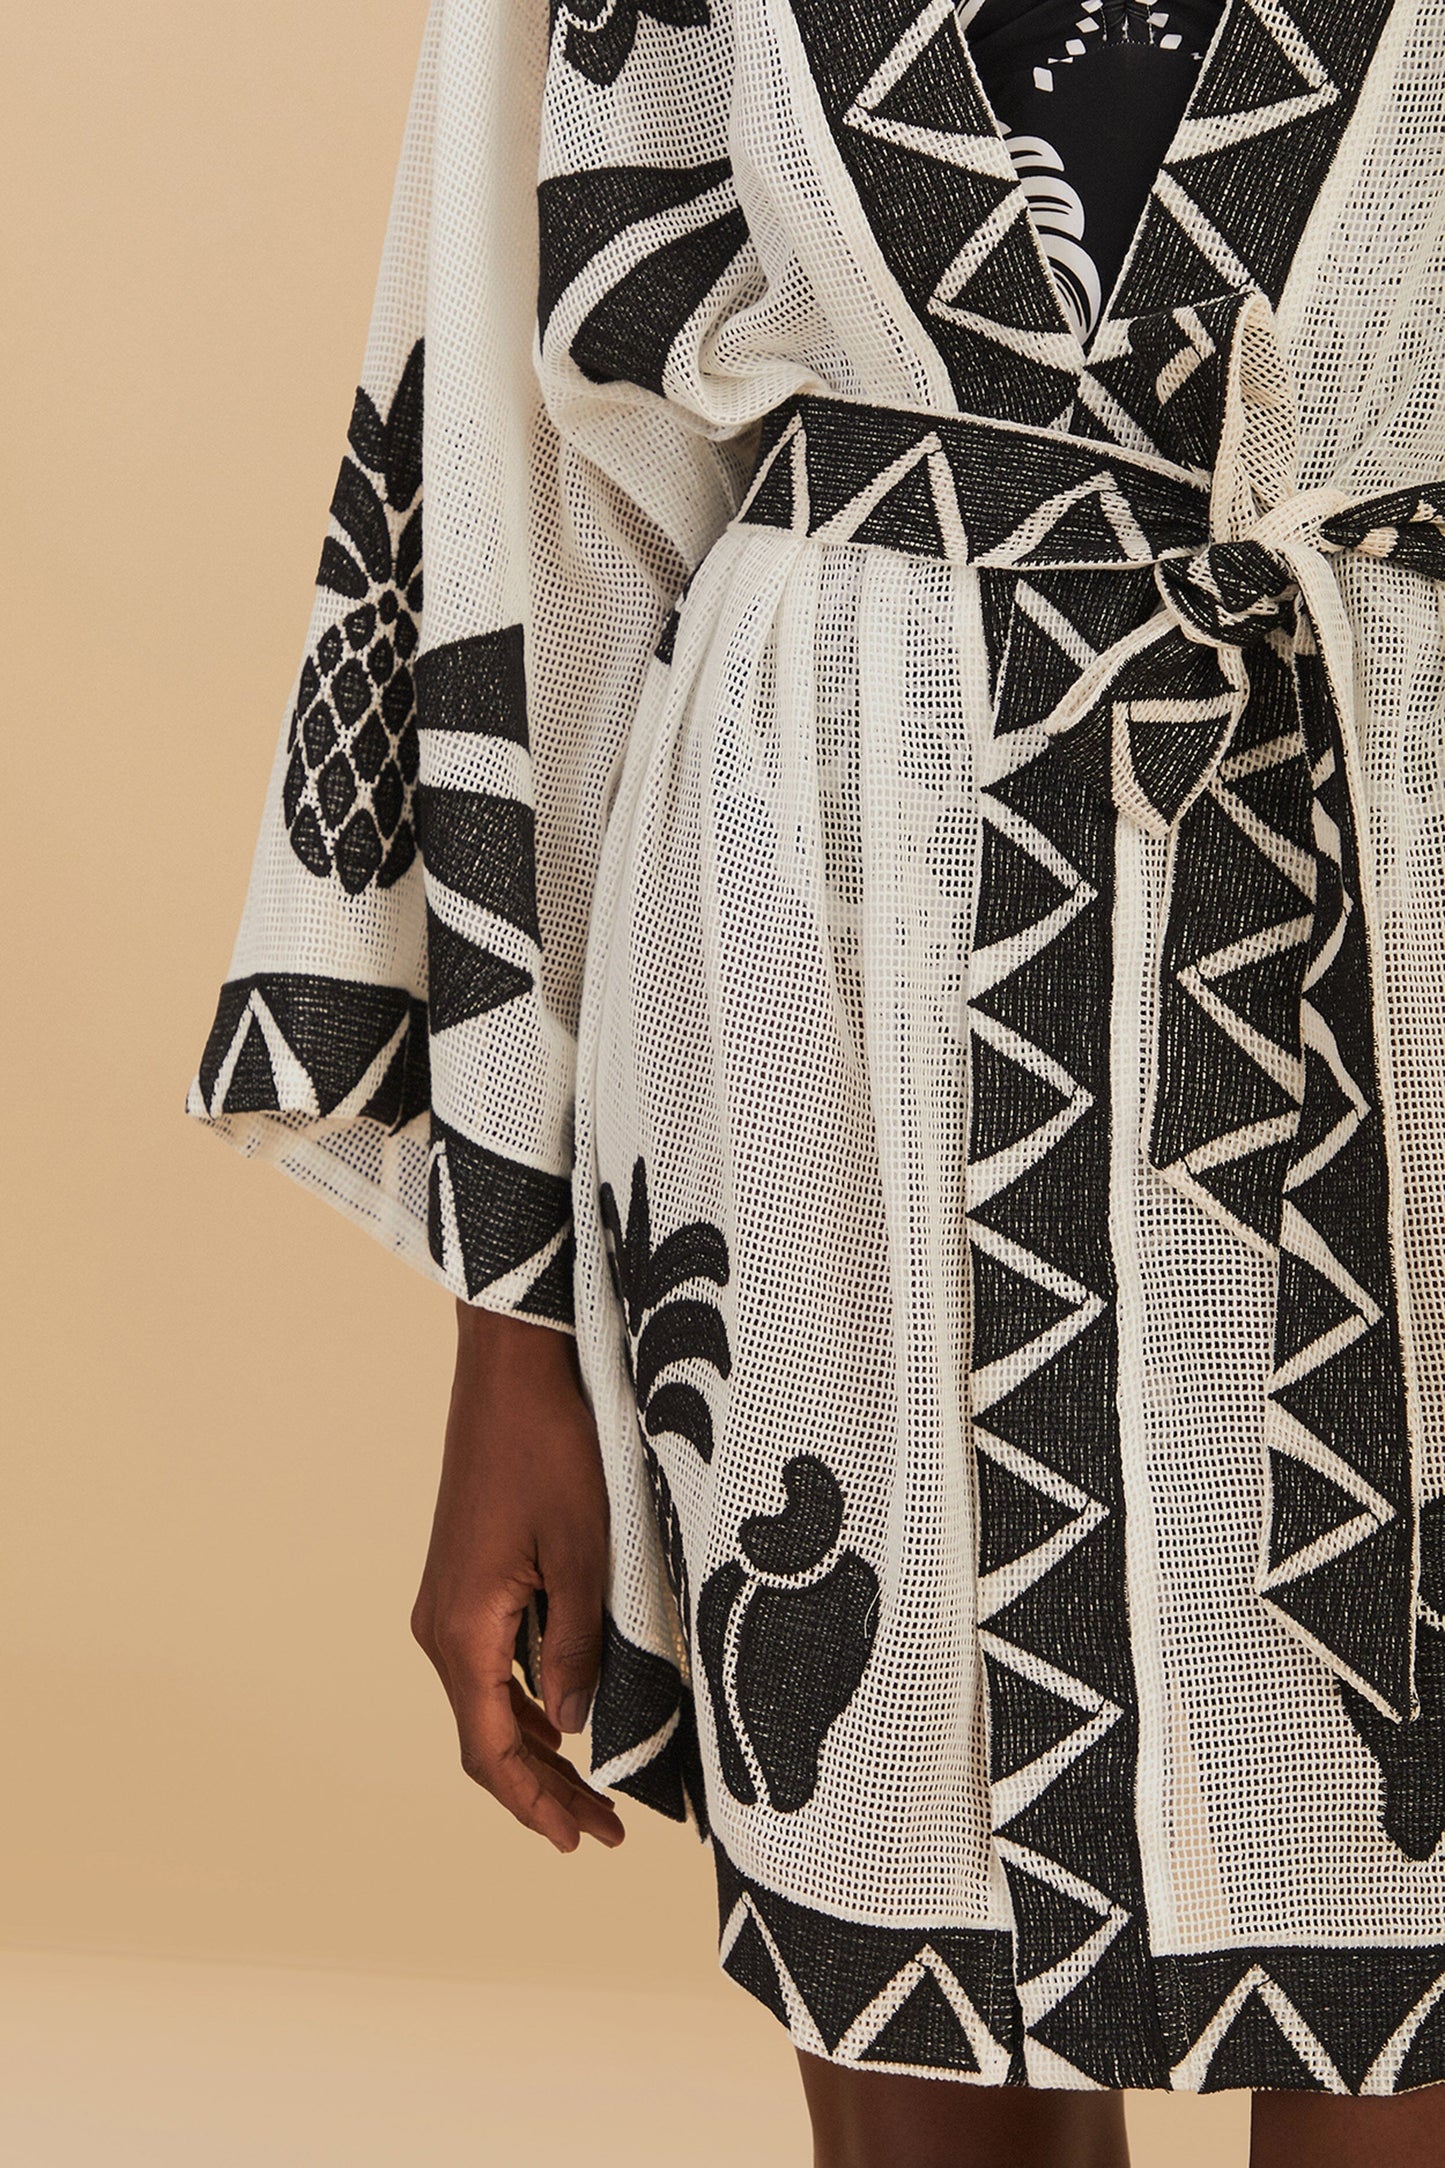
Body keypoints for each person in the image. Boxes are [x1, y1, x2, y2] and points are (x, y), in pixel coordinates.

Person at [191, 0, 1445, 2157]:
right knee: (912, 1961)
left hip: (1399, 895)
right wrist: (516, 1332)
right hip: (826, 986)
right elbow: (534, 495)